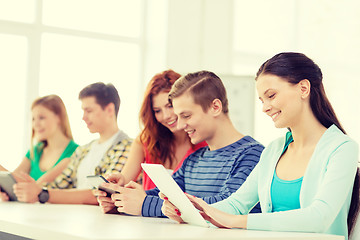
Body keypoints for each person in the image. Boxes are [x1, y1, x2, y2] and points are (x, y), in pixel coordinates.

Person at [161, 53, 359, 240]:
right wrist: (192, 212)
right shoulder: (274, 150)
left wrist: (237, 222)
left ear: (303, 89)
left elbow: (320, 217)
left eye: (271, 96)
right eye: (262, 100)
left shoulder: (342, 149)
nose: (265, 107)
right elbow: (236, 204)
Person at [97, 70, 264, 217]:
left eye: (187, 116)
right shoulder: (194, 160)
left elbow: (227, 205)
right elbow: (163, 194)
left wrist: (145, 204)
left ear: (215, 107)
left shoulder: (253, 154)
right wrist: (122, 201)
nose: (180, 125)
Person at [9, 82, 132, 204]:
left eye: (89, 111)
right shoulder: (84, 150)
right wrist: (32, 188)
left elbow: (104, 193)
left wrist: (41, 193)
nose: (83, 117)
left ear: (110, 109)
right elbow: (59, 185)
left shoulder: (126, 147)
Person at [95, 70, 206, 198]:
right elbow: (124, 180)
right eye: (157, 111)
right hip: (148, 217)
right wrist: (113, 191)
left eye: (170, 106)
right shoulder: (146, 140)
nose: (166, 116)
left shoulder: (204, 143)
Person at [0, 95, 78, 201]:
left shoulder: (75, 152)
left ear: (58, 117)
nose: (35, 124)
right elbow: (12, 179)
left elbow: (35, 188)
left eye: (41, 118)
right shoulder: (36, 151)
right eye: (33, 119)